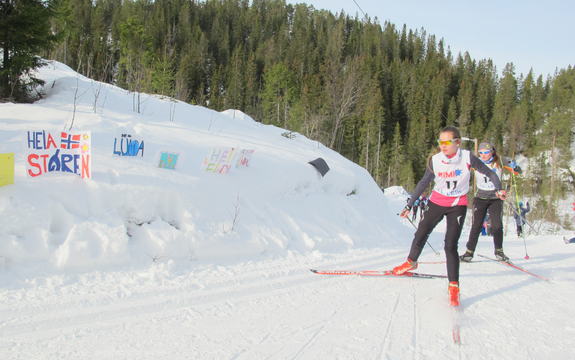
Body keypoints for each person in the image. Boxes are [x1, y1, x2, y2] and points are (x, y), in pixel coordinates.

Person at [394, 126, 506, 307]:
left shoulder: (467, 157)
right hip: (437, 202)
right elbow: (424, 183)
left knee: (450, 244)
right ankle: (411, 262)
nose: (443, 146)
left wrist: (499, 188)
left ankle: (454, 286)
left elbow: (491, 173)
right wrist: (409, 204)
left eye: (447, 142)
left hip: (457, 204)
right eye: (440, 142)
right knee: (421, 232)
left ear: (457, 143)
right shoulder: (435, 160)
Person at [460, 142, 508, 262]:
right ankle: (469, 253)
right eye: (481, 153)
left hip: (495, 198)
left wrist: (515, 167)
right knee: (476, 226)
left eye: (486, 152)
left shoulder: (500, 161)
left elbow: (515, 168)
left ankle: (499, 251)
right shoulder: (476, 162)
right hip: (480, 197)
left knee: (496, 225)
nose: (483, 155)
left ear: (491, 151)